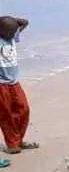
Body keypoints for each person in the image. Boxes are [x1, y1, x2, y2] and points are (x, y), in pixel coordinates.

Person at [0, 16, 38, 157]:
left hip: (15, 83)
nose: (13, 34)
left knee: (23, 110)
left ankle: (19, 140)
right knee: (6, 115)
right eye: (9, 31)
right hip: (1, 85)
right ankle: (12, 145)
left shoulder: (11, 38)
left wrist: (10, 21)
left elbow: (25, 22)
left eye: (13, 31)